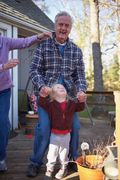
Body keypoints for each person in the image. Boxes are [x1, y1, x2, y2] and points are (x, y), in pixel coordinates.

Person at [27, 11, 87, 177]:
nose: (63, 28)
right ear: (55, 26)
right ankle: (35, 162)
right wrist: (41, 86)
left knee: (74, 126)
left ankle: (72, 159)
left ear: (70, 28)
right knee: (45, 128)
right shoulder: (44, 46)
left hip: (68, 100)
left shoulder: (76, 50)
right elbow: (34, 69)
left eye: (67, 25)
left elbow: (80, 75)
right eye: (61, 24)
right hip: (48, 98)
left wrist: (81, 89)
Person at [0, 32, 51, 172]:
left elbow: (24, 42)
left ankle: (1, 158)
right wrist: (4, 66)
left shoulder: (4, 41)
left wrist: (39, 37)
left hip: (3, 90)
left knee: (3, 124)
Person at [39, 84, 85, 179]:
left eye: (63, 87)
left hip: (66, 135)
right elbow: (41, 103)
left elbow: (80, 107)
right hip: (54, 135)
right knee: (52, 153)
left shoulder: (71, 104)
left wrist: (81, 100)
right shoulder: (51, 104)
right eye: (58, 88)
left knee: (64, 154)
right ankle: (49, 170)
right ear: (53, 94)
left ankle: (63, 168)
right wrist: (43, 95)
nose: (61, 88)